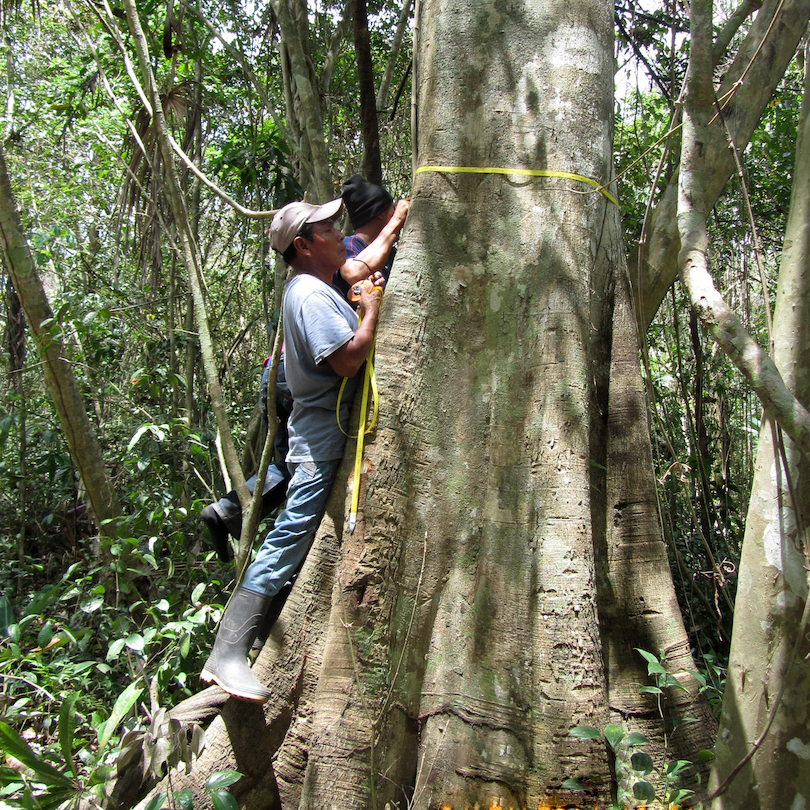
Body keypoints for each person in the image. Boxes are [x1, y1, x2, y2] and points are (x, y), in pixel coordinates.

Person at [201, 196, 385, 703]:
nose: (338, 232)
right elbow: (346, 361)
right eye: (328, 229)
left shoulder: (313, 289)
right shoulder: (306, 293)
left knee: (293, 542)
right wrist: (369, 311)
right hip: (321, 440)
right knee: (286, 541)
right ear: (304, 246)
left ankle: (253, 642)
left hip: (326, 435)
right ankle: (226, 655)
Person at [199, 177, 409, 562]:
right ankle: (240, 525)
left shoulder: (326, 262)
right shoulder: (350, 252)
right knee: (299, 465)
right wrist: (397, 225)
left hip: (289, 372)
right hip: (289, 376)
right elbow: (352, 277)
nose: (337, 235)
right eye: (329, 229)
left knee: (294, 466)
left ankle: (228, 510)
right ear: (382, 214)